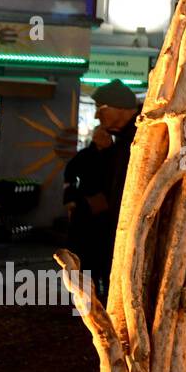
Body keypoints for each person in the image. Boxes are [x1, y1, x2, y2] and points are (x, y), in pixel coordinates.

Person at [62, 79, 140, 300]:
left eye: (101, 108)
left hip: (115, 232)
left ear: (121, 108)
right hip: (98, 227)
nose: (97, 115)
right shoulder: (113, 145)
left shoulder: (137, 140)